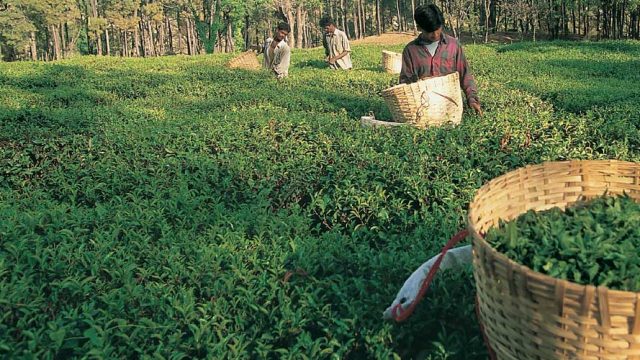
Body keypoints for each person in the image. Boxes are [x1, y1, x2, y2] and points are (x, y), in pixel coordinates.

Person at [399, 4, 482, 115]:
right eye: (430, 31)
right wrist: (420, 82)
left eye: (438, 28)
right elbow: (405, 84)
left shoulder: (453, 45)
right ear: (419, 28)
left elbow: (465, 75)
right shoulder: (410, 51)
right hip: (424, 111)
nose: (435, 34)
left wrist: (472, 99)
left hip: (452, 107)